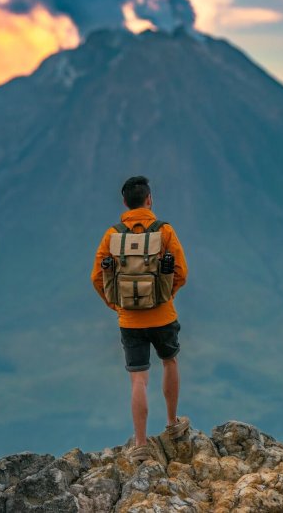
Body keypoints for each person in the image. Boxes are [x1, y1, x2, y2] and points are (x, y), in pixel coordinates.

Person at [90, 175, 190, 464]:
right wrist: (163, 296)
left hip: (129, 320)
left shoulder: (112, 235)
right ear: (150, 200)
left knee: (139, 380)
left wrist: (118, 305)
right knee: (169, 361)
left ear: (124, 203)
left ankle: (141, 444)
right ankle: (172, 424)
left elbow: (97, 277)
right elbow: (181, 272)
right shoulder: (165, 231)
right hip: (163, 314)